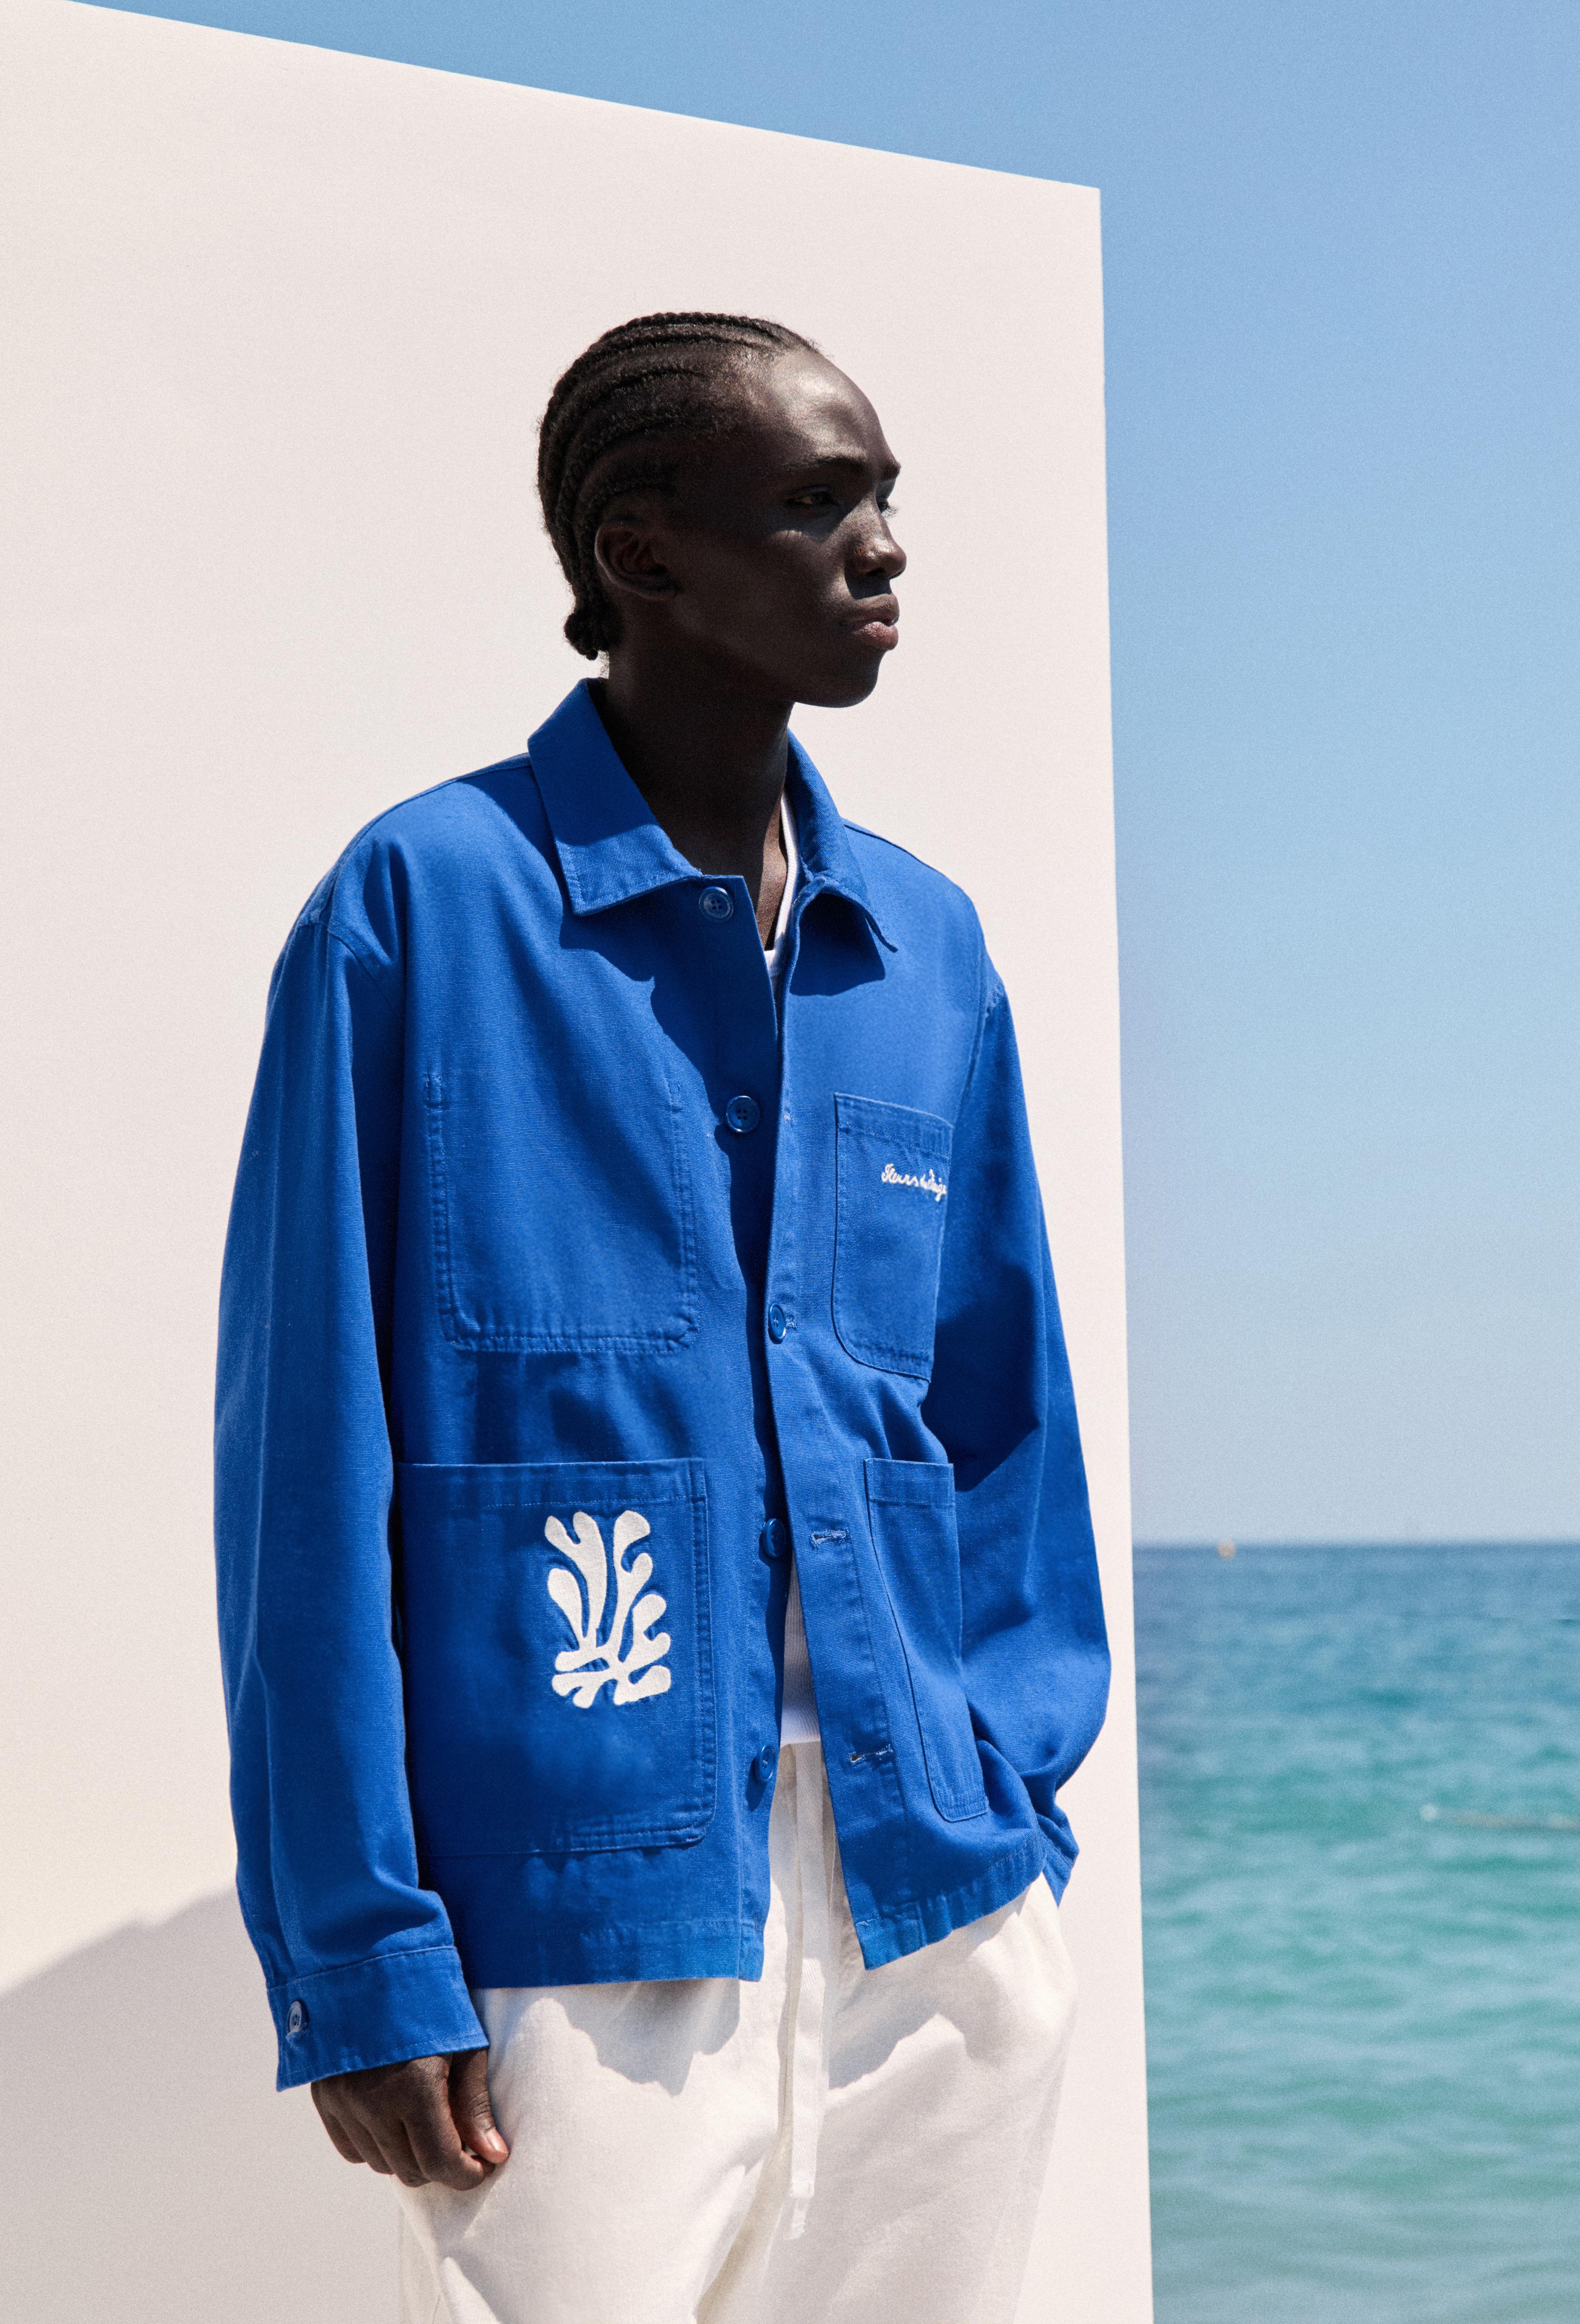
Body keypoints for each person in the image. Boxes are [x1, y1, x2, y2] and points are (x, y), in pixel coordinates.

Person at [214, 312, 1110, 2324]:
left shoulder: (925, 948)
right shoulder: (422, 906)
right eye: (817, 501)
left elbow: (1001, 1421)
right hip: (571, 1913)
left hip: (931, 1904)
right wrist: (357, 1947)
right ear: (643, 552)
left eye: (886, 498)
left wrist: (1015, 1804)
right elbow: (305, 1471)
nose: (883, 545)